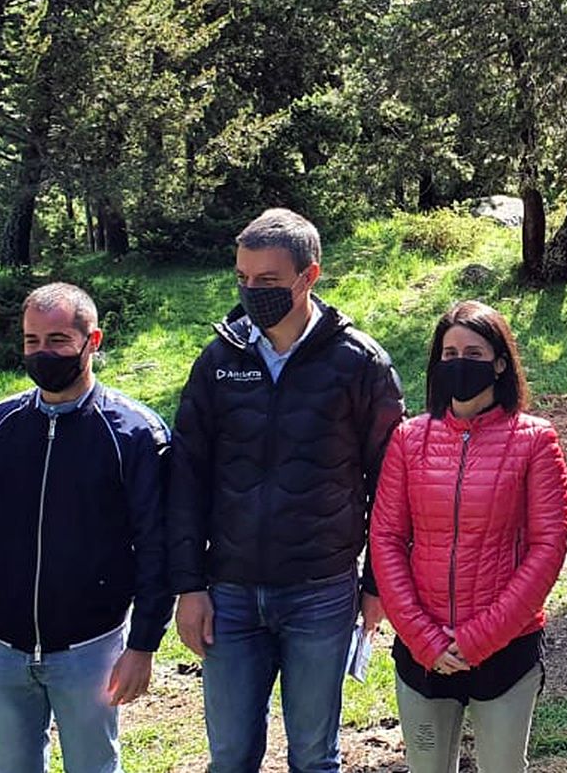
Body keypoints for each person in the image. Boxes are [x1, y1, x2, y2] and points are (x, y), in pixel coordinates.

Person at [168, 208, 405, 773]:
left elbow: (391, 483)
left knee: (314, 756)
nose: (252, 292)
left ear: (308, 276)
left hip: (320, 591)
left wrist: (376, 586)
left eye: (268, 281)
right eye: (243, 279)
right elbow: (186, 475)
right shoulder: (219, 360)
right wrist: (188, 586)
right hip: (228, 592)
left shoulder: (359, 363)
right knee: (229, 758)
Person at [0, 283, 172, 772]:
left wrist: (143, 644)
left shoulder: (135, 433)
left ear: (93, 341)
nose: (43, 353)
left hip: (90, 647)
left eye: (59, 340)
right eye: (32, 341)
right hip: (0, 648)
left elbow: (158, 546)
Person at [370, 301, 567, 773]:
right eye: (450, 352)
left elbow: (548, 547)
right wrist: (424, 637)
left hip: (506, 649)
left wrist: (481, 637)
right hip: (424, 653)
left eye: (475, 353)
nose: (460, 362)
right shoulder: (408, 439)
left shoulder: (535, 441)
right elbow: (385, 538)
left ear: (500, 363)